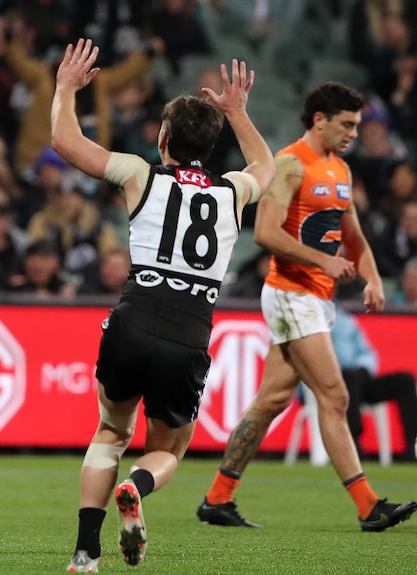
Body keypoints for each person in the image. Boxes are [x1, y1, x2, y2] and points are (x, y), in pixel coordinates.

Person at [52, 39, 275, 571]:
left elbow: (65, 140)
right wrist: (237, 113)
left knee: (111, 431)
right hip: (188, 335)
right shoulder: (233, 191)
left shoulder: (140, 174)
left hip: (133, 321)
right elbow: (268, 163)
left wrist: (64, 88)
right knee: (170, 450)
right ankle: (137, 485)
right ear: (213, 145)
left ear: (163, 138)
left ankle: (86, 553)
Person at [197, 82, 417, 533]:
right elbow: (265, 233)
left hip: (314, 298)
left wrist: (373, 277)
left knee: (271, 400)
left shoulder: (339, 170)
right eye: (347, 124)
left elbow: (352, 234)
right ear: (320, 119)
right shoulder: (290, 163)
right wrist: (324, 261)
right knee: (334, 396)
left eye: (357, 124)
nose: (354, 132)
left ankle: (217, 498)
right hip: (290, 293)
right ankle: (368, 505)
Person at [332, 305, 417, 462]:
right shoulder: (309, 320)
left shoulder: (345, 320)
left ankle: (412, 446)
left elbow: (366, 352)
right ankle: (353, 443)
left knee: (405, 380)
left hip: (358, 381)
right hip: (327, 384)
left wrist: (363, 368)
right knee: (350, 376)